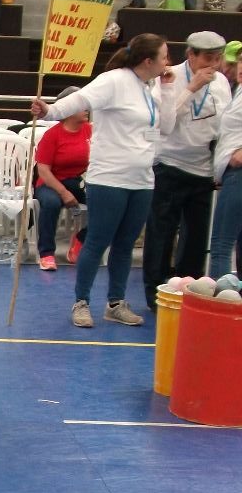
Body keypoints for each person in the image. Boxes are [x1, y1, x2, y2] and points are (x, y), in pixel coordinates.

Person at [32, 33, 176, 329]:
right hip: (109, 177)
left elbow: (167, 126)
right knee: (98, 240)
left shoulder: (153, 87)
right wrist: (49, 111)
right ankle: (81, 302)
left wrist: (169, 89)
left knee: (125, 244)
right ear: (148, 61)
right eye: (164, 57)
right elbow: (80, 99)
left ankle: (115, 303)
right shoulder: (114, 80)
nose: (168, 62)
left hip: (142, 179)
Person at [142, 30, 232, 309]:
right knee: (162, 234)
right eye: (207, 58)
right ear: (191, 55)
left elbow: (225, 125)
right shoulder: (169, 77)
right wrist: (191, 88)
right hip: (170, 165)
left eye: (217, 59)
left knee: (195, 239)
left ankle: (189, 293)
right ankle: (156, 294)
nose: (213, 65)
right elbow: (161, 121)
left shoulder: (221, 83)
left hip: (203, 171)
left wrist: (220, 165)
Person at [33, 106, 91, 271]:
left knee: (107, 204)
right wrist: (64, 193)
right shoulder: (52, 135)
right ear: (68, 111)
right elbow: (43, 171)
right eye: (81, 107)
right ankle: (46, 254)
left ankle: (81, 240)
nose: (87, 109)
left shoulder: (90, 131)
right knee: (51, 203)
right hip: (50, 182)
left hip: (78, 180)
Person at [209, 47, 242, 279]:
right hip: (231, 173)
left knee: (221, 243)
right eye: (240, 62)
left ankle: (220, 298)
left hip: (238, 174)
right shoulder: (238, 91)